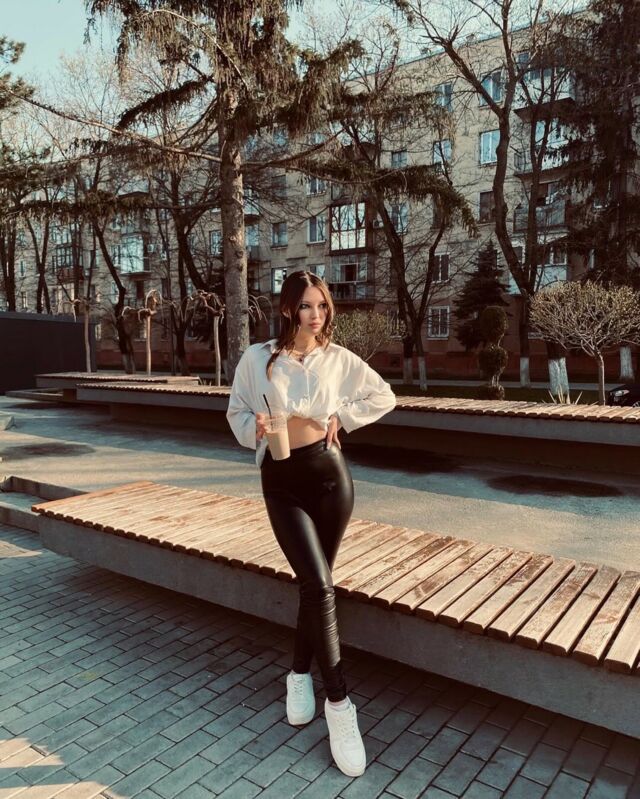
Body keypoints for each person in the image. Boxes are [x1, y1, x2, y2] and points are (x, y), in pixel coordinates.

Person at [226, 270, 396, 777]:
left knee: (314, 586)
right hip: (280, 480)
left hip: (329, 479)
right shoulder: (258, 359)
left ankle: (300, 675)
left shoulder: (339, 359)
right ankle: (340, 704)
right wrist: (255, 426)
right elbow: (235, 412)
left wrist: (344, 417)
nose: (316, 315)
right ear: (287, 309)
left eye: (321, 305)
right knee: (319, 585)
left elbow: (383, 395)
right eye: (305, 305)